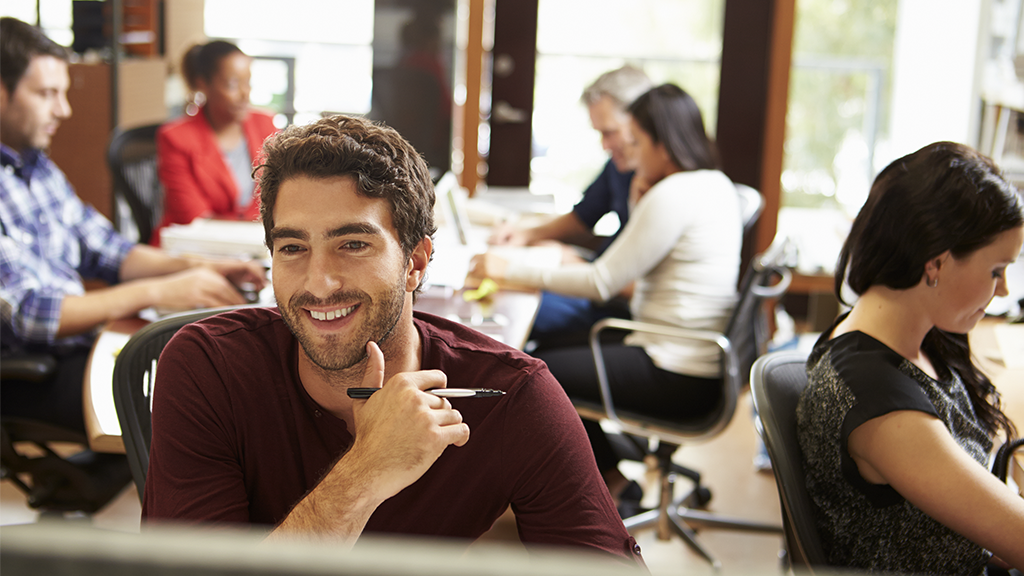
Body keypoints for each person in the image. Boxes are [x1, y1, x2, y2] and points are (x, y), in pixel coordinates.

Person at [141, 114, 645, 566]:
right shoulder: (207, 368)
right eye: (292, 247)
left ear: (417, 261)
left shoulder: (510, 396)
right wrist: (365, 471)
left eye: (353, 244)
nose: (319, 283)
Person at [469, 84, 743, 503]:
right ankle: (611, 475)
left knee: (535, 373)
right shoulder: (715, 184)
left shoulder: (673, 195)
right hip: (691, 357)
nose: (630, 154)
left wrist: (510, 269)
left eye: (636, 142)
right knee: (549, 347)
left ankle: (604, 485)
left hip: (674, 370)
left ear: (663, 144)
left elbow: (602, 282)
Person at [0, 17, 266, 434]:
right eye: (47, 94)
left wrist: (197, 267)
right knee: (202, 410)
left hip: (78, 349)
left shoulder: (36, 168)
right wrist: (160, 291)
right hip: (30, 374)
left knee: (219, 371)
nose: (64, 110)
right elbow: (32, 315)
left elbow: (107, 250)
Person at [796, 141, 1024, 573]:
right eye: (996, 271)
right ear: (936, 263)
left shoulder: (918, 336)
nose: (1005, 291)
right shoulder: (880, 405)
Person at [487, 65, 653, 347]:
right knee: (506, 297)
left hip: (612, 299)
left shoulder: (662, 188)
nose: (605, 145)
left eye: (611, 133)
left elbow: (641, 286)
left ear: (642, 123)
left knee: (505, 308)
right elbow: (581, 218)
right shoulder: (620, 167)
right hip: (598, 278)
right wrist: (527, 234)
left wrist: (573, 262)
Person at [151, 41, 277, 245]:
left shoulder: (265, 125)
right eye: (233, 85)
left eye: (248, 83)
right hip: (193, 249)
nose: (245, 94)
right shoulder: (175, 138)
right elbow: (194, 217)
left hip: (251, 247)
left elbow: (277, 198)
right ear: (203, 84)